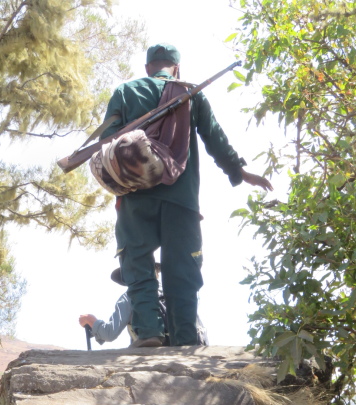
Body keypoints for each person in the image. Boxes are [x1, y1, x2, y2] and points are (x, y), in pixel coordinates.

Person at [100, 43, 273, 348]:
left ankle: (149, 331)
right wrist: (239, 172)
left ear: (147, 69)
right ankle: (185, 338)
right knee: (182, 268)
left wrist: (117, 185)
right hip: (182, 200)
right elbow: (215, 137)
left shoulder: (125, 92)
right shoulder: (191, 94)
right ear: (176, 68)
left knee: (137, 261)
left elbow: (106, 145)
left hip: (136, 199)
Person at [79, 265, 209, 347]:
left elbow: (109, 333)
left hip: (156, 354)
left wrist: (91, 321)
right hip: (194, 346)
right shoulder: (175, 292)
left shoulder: (130, 296)